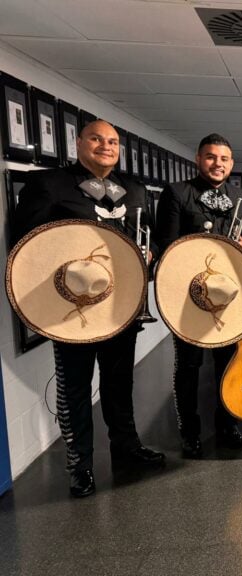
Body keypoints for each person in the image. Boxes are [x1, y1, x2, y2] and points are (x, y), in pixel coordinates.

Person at [12, 119, 165, 498]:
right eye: (96, 139)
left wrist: (150, 252)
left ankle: (126, 448)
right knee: (75, 388)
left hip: (122, 304)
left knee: (119, 383)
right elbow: (25, 246)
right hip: (72, 308)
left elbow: (151, 237)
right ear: (78, 142)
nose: (106, 146)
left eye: (112, 141)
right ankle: (79, 465)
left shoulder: (134, 188)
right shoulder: (49, 184)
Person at [155, 133, 242, 458]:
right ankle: (189, 431)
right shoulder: (177, 193)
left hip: (229, 296)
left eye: (224, 159)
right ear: (198, 159)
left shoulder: (241, 197)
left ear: (232, 163)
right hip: (189, 295)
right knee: (188, 365)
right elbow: (167, 248)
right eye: (211, 157)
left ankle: (227, 424)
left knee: (229, 362)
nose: (217, 164)